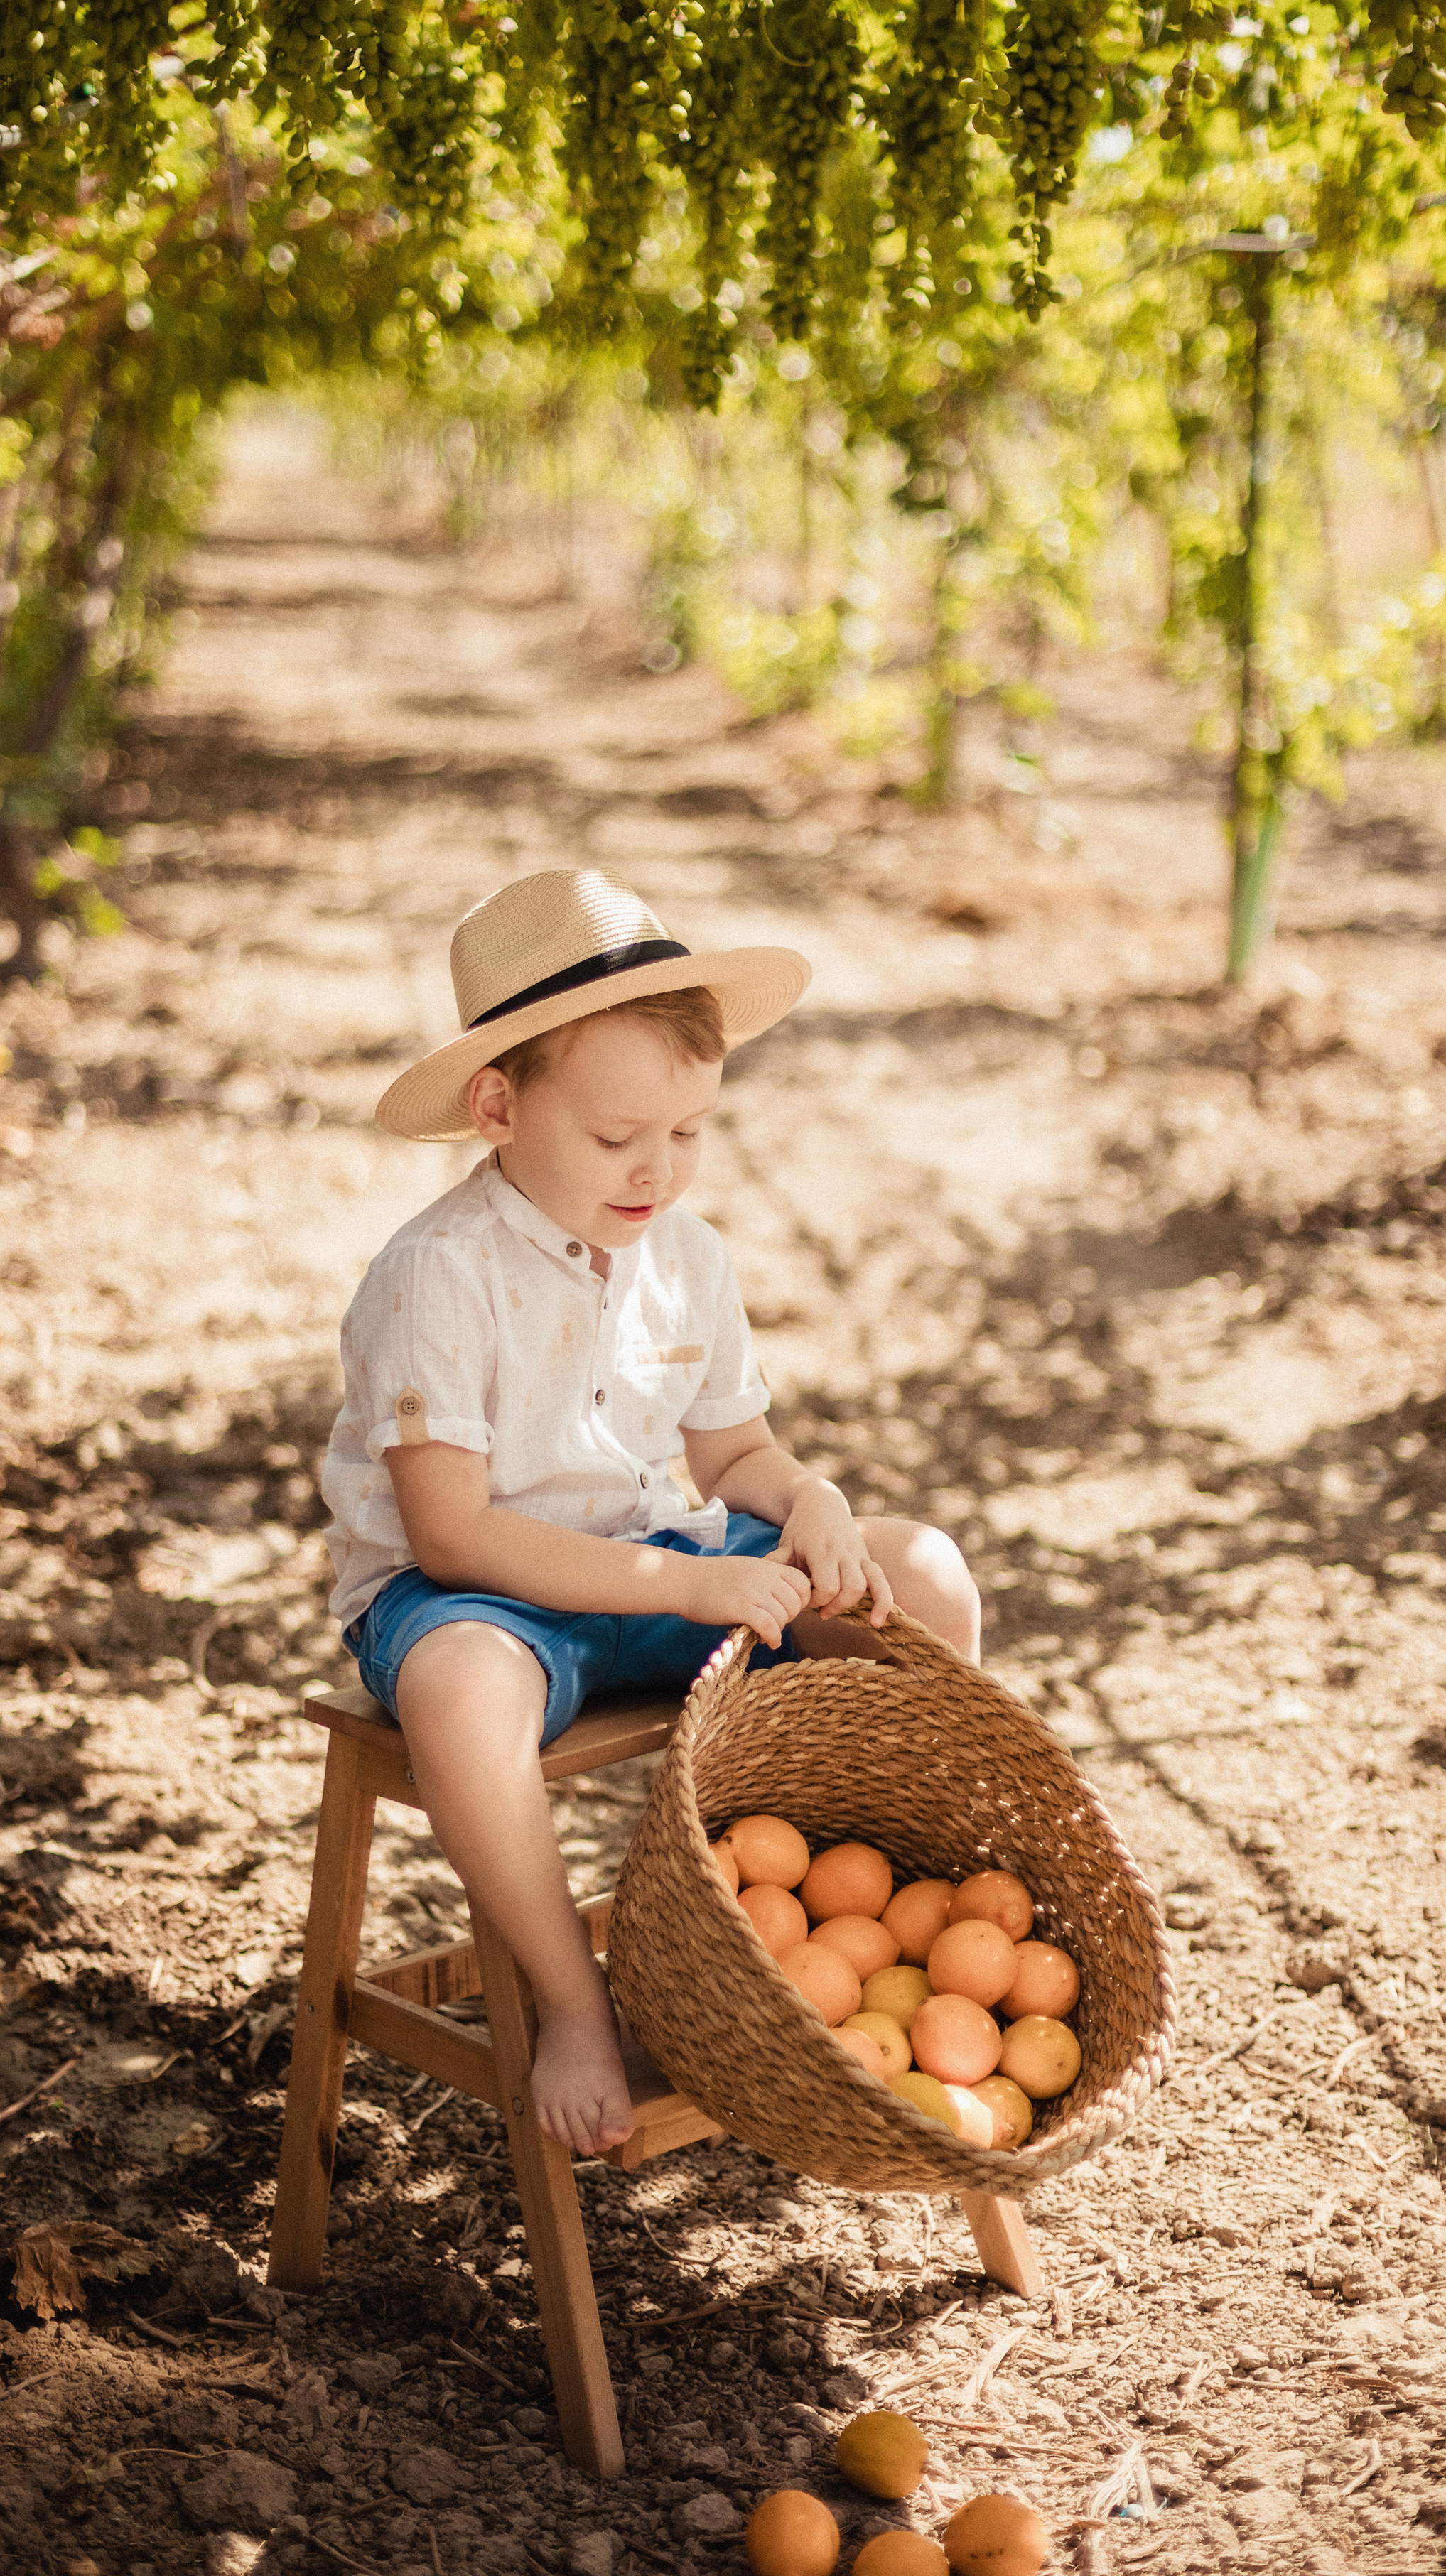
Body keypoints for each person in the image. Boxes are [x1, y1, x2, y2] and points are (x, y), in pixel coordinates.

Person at [323, 868, 980, 2156]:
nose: (658, 1169)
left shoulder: (689, 1255)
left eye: (689, 1132)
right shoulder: (438, 1276)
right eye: (620, 1137)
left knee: (929, 1576)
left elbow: (733, 1449)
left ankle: (853, 1931)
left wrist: (811, 1499)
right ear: (499, 1107)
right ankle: (574, 1996)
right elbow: (453, 1532)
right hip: (485, 1599)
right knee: (459, 1692)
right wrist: (688, 1588)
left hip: (661, 1558)